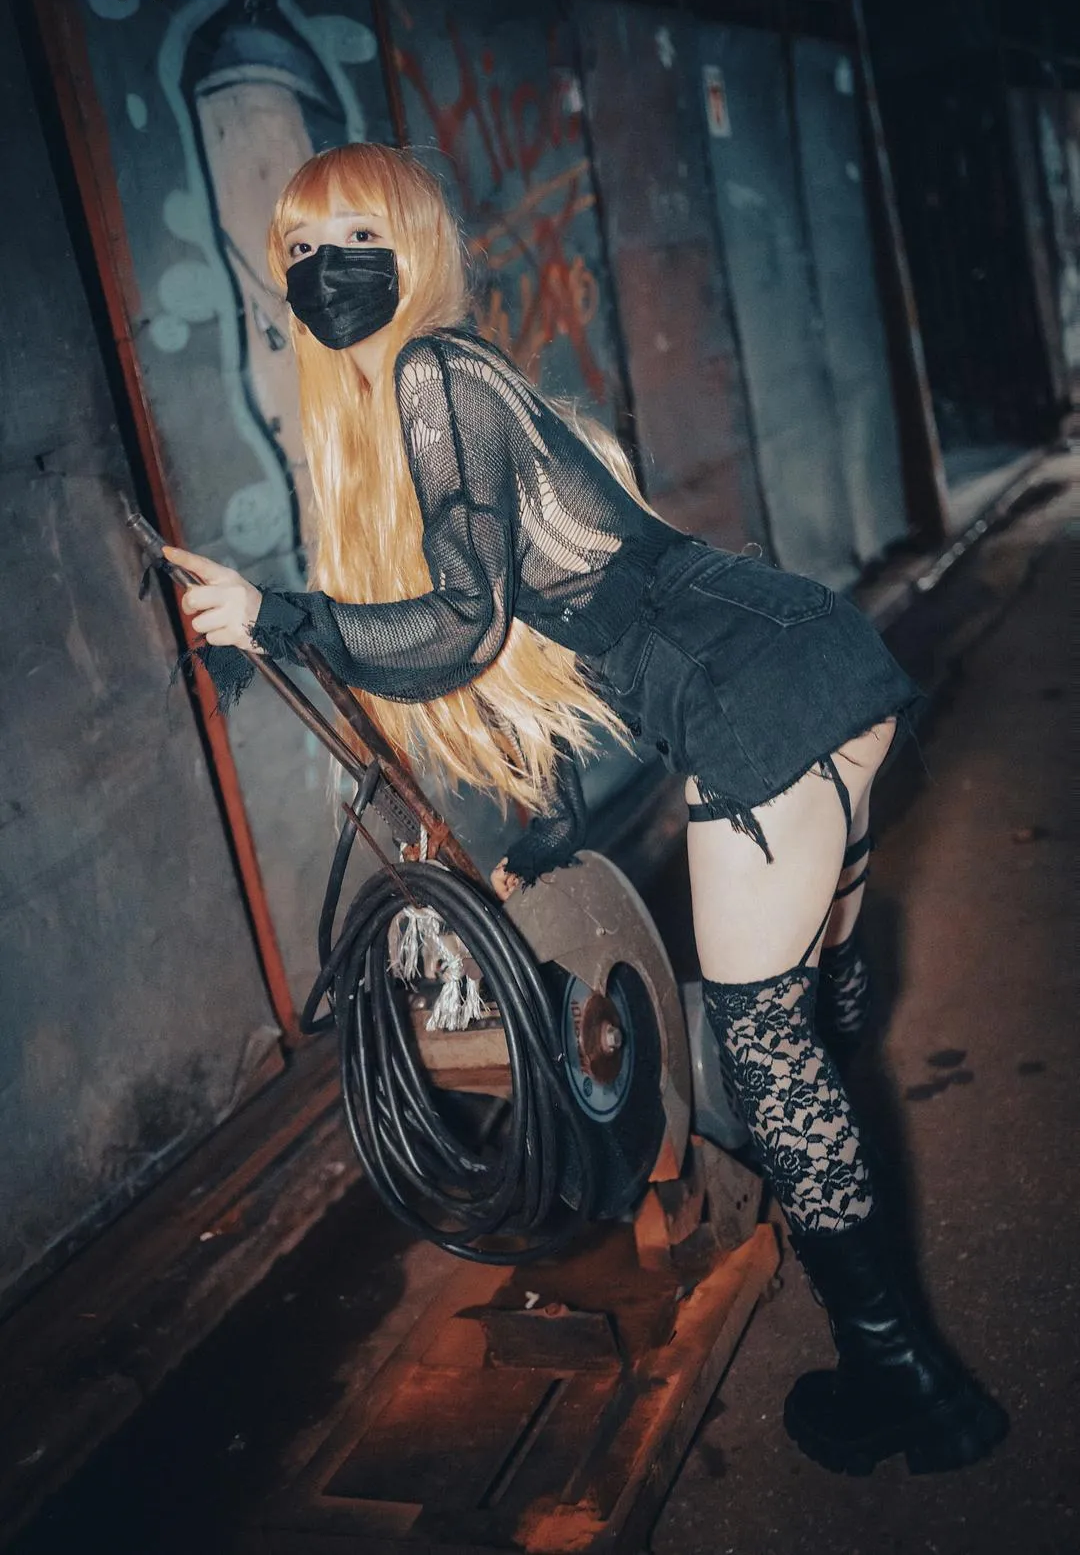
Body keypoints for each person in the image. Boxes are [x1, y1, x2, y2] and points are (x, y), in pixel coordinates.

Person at [163, 142, 1007, 1476]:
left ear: (416, 246)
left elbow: (461, 624)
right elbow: (540, 650)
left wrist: (281, 616)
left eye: (360, 238)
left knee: (766, 1054)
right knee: (815, 1006)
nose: (328, 270)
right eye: (303, 248)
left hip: (756, 701)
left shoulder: (435, 373)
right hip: (807, 661)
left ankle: (905, 1381)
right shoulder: (443, 399)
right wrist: (547, 838)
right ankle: (904, 1341)